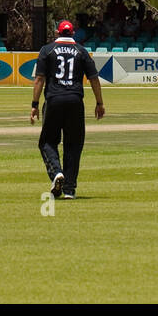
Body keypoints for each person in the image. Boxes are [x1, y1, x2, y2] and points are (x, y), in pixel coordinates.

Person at [31, 21, 104, 200]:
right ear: (73, 33)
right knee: (73, 145)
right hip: (75, 101)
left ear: (57, 33)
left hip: (54, 100)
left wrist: (34, 104)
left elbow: (39, 79)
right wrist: (99, 103)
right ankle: (69, 190)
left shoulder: (46, 50)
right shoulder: (81, 51)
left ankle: (56, 172)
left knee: (47, 142)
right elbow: (94, 79)